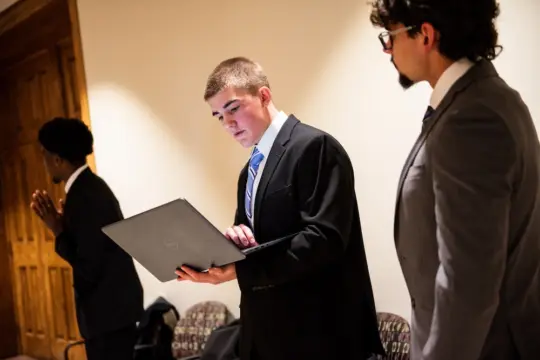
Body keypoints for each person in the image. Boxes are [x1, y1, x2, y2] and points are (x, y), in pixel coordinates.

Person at [175, 57, 384, 360]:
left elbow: (323, 240)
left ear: (263, 95)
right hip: (265, 335)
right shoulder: (249, 171)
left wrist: (241, 268)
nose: (228, 124)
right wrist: (234, 243)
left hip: (318, 336)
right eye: (219, 116)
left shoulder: (314, 147)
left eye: (233, 108)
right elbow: (259, 244)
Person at [369, 1, 540, 359]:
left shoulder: (472, 117)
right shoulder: (489, 100)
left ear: (426, 35)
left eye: (391, 36)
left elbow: (468, 284)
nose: (387, 49)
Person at [30, 117, 144, 360]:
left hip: (109, 315)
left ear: (57, 159)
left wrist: (58, 231)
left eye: (45, 155)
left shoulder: (85, 196)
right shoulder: (89, 188)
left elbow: (89, 267)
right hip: (113, 313)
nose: (44, 163)